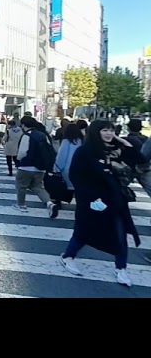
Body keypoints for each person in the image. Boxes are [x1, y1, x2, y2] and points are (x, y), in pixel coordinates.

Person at [59, 120, 144, 287]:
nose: (109, 134)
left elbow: (139, 159)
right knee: (84, 232)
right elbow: (76, 176)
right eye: (105, 130)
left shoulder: (117, 150)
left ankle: (121, 268)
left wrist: (125, 143)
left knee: (120, 234)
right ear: (95, 131)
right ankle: (68, 256)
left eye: (111, 130)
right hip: (93, 200)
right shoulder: (85, 151)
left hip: (116, 199)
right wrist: (90, 197)